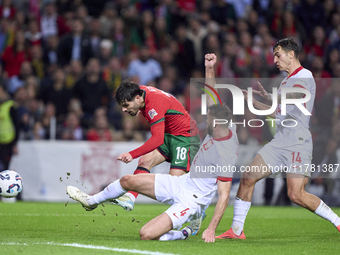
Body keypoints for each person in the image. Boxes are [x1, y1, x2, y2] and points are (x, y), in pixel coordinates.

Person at [67, 54, 238, 241]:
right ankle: (91, 201)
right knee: (127, 179)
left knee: (146, 234)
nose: (207, 121)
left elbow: (224, 195)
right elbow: (212, 95)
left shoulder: (225, 154)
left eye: (210, 121)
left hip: (193, 197)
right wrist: (209, 68)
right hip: (181, 183)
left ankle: (187, 229)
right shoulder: (219, 129)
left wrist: (212, 229)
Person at [217, 38, 340, 239]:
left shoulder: (305, 76)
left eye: (278, 54)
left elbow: (285, 106)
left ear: (291, 54)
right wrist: (261, 100)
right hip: (280, 140)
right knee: (248, 177)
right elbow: (279, 111)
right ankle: (237, 230)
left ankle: (338, 222)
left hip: (297, 142)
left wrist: (262, 101)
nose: (274, 60)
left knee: (296, 194)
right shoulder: (285, 81)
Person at [112, 78, 201, 214]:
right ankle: (130, 197)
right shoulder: (140, 93)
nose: (124, 109)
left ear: (137, 98)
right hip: (170, 135)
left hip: (185, 137)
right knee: (145, 161)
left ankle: (196, 211)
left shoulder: (154, 103)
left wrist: (132, 154)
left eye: (126, 105)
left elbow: (157, 139)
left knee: (174, 185)